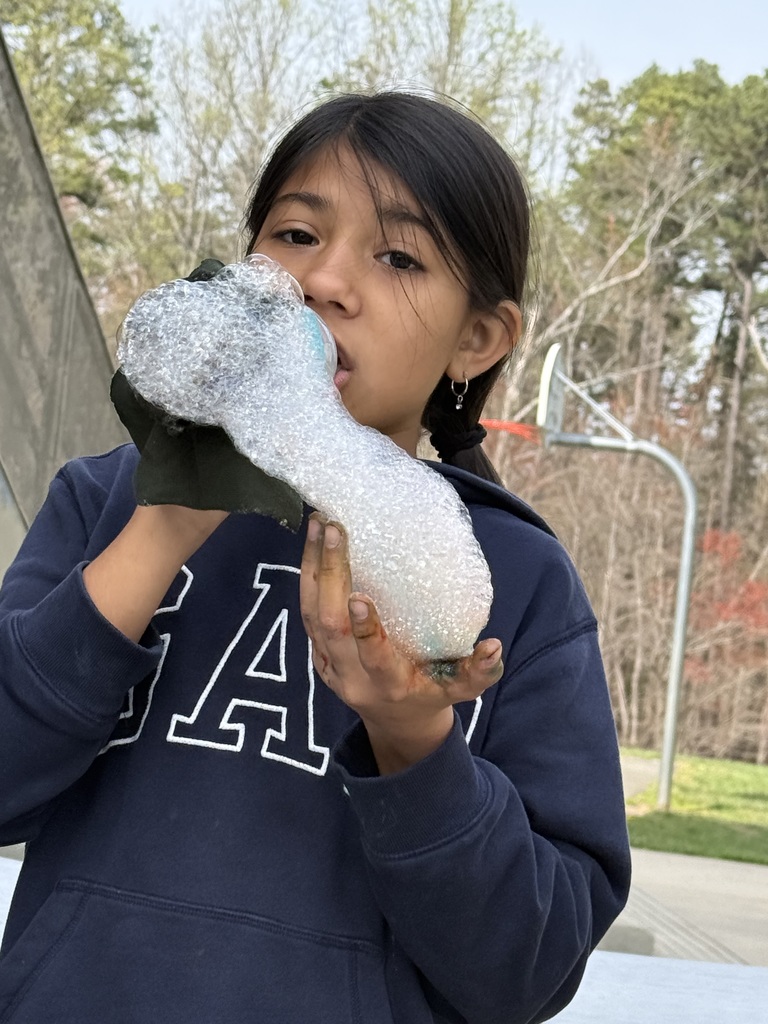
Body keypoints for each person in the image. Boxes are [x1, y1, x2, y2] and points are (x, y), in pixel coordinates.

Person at [0, 92, 630, 1023]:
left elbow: (527, 970)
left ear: (477, 339)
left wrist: (414, 738)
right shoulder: (105, 503)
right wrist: (162, 528)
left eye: (399, 256)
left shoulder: (515, 585)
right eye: (296, 234)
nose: (325, 281)